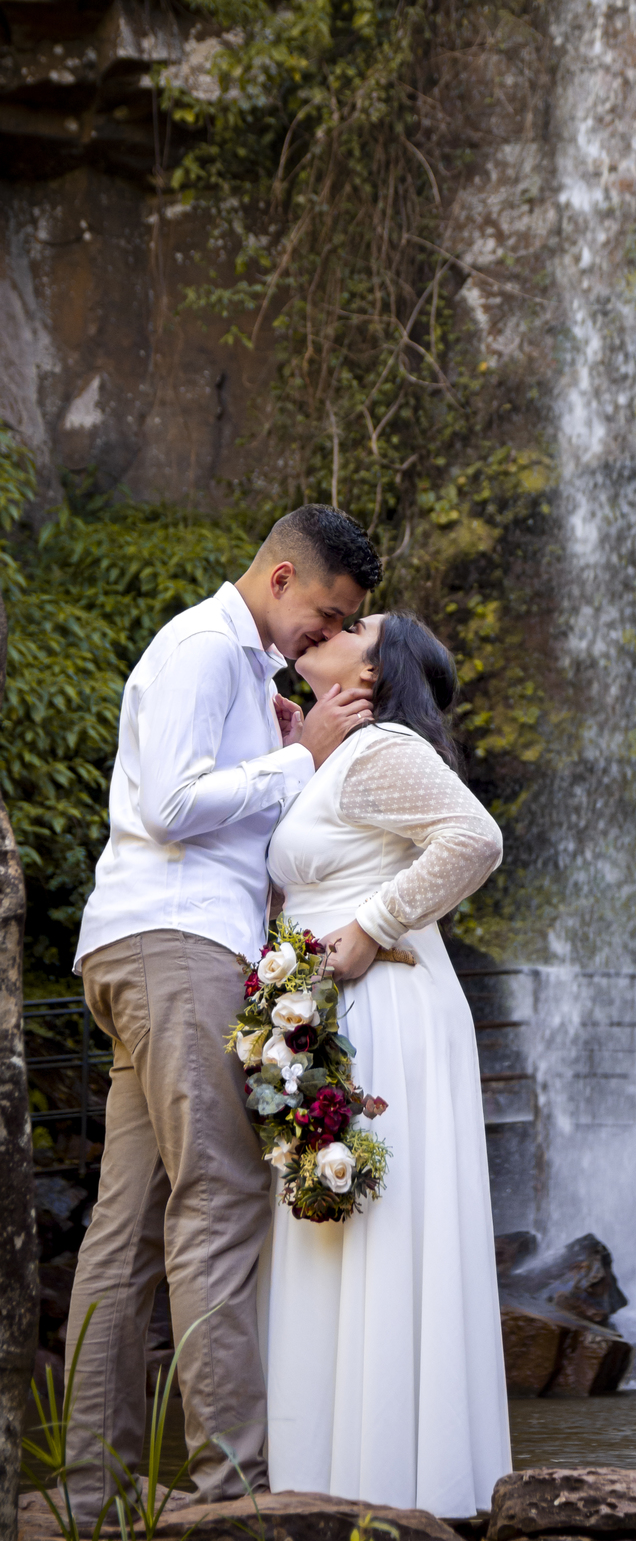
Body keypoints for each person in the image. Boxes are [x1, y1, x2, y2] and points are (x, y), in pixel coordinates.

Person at [63, 506, 383, 1525]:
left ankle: (89, 1494)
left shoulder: (248, 677)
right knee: (221, 1202)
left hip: (147, 946)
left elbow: (220, 813)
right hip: (177, 948)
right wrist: (304, 761)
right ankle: (231, 1494)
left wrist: (282, 745)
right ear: (281, 578)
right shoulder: (206, 647)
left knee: (125, 1227)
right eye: (324, 618)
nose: (322, 643)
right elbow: (169, 805)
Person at [261, 610, 511, 1520]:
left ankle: (403, 1487)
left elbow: (475, 839)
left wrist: (373, 925)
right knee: (336, 1226)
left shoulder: (382, 748)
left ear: (374, 669)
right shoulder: (335, 758)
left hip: (388, 1007)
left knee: (379, 1223)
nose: (331, 622)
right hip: (336, 1015)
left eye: (355, 622)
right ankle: (333, 1478)